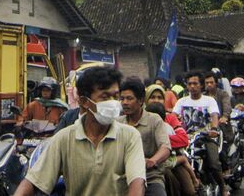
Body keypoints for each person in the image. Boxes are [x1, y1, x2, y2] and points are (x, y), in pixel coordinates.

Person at [14, 66, 146, 196]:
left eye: (115, 96)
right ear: (84, 101)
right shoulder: (64, 139)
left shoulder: (130, 136)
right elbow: (34, 181)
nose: (113, 103)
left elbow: (137, 182)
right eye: (105, 97)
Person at [173, 72, 225, 196]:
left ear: (201, 85)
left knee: (213, 162)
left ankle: (223, 187)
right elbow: (173, 117)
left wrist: (213, 129)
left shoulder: (209, 100)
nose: (192, 86)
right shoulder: (181, 101)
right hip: (185, 139)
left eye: (195, 83)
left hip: (206, 137)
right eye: (189, 84)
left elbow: (214, 116)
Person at [118, 78, 171, 196]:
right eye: (122, 99)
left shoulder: (154, 120)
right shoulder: (117, 123)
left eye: (129, 98)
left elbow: (165, 147)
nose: (125, 102)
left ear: (141, 100)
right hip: (123, 179)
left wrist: (153, 160)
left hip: (150, 177)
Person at [146, 85, 197, 196]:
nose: (156, 100)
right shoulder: (141, 118)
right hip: (147, 164)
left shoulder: (170, 118)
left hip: (171, 160)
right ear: (145, 99)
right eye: (152, 97)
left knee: (189, 191)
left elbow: (183, 139)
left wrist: (159, 140)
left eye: (159, 97)